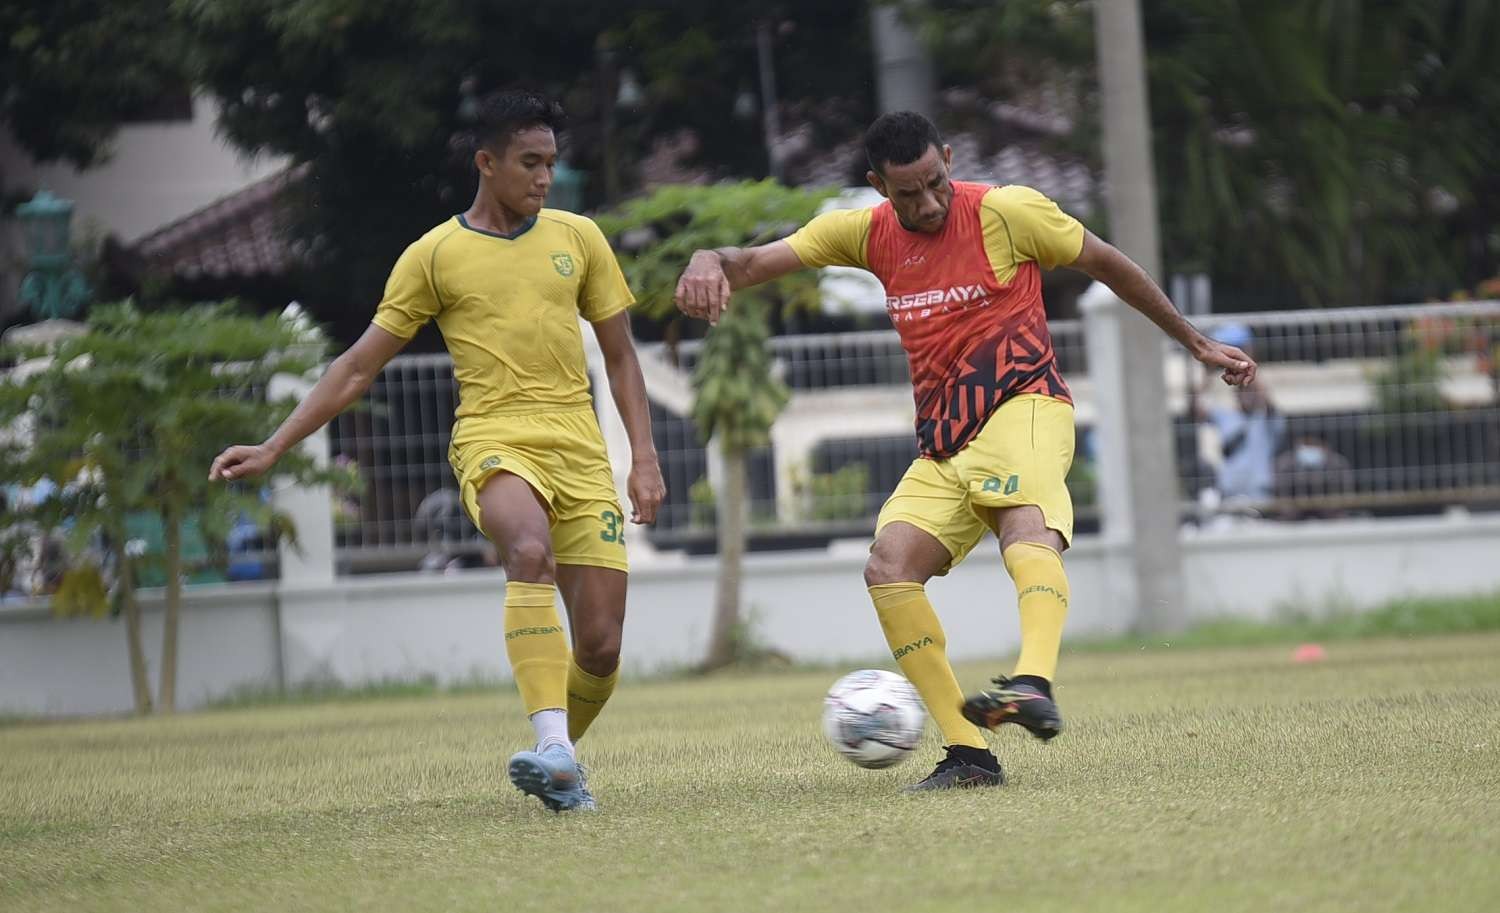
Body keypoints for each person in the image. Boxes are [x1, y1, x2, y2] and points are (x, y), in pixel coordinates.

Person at [674, 112, 1255, 790]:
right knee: (888, 567)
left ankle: (1032, 680)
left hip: (1026, 404)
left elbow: (1108, 263)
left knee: (1023, 522)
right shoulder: (864, 233)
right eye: (906, 193)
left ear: (948, 158)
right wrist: (706, 260)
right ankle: (969, 753)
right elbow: (748, 264)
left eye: (935, 182)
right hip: (946, 439)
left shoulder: (1007, 213)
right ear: (876, 186)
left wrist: (1196, 342)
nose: (925, 203)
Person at [209, 90, 665, 812]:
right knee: (526, 552)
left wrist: (643, 454)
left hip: (580, 447)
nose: (544, 178)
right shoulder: (434, 255)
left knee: (602, 647)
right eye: (528, 163)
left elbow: (622, 358)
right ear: (486, 163)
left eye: (550, 162)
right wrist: (275, 444)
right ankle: (551, 745)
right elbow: (358, 364)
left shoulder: (579, 238)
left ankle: (560, 762)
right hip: (495, 438)